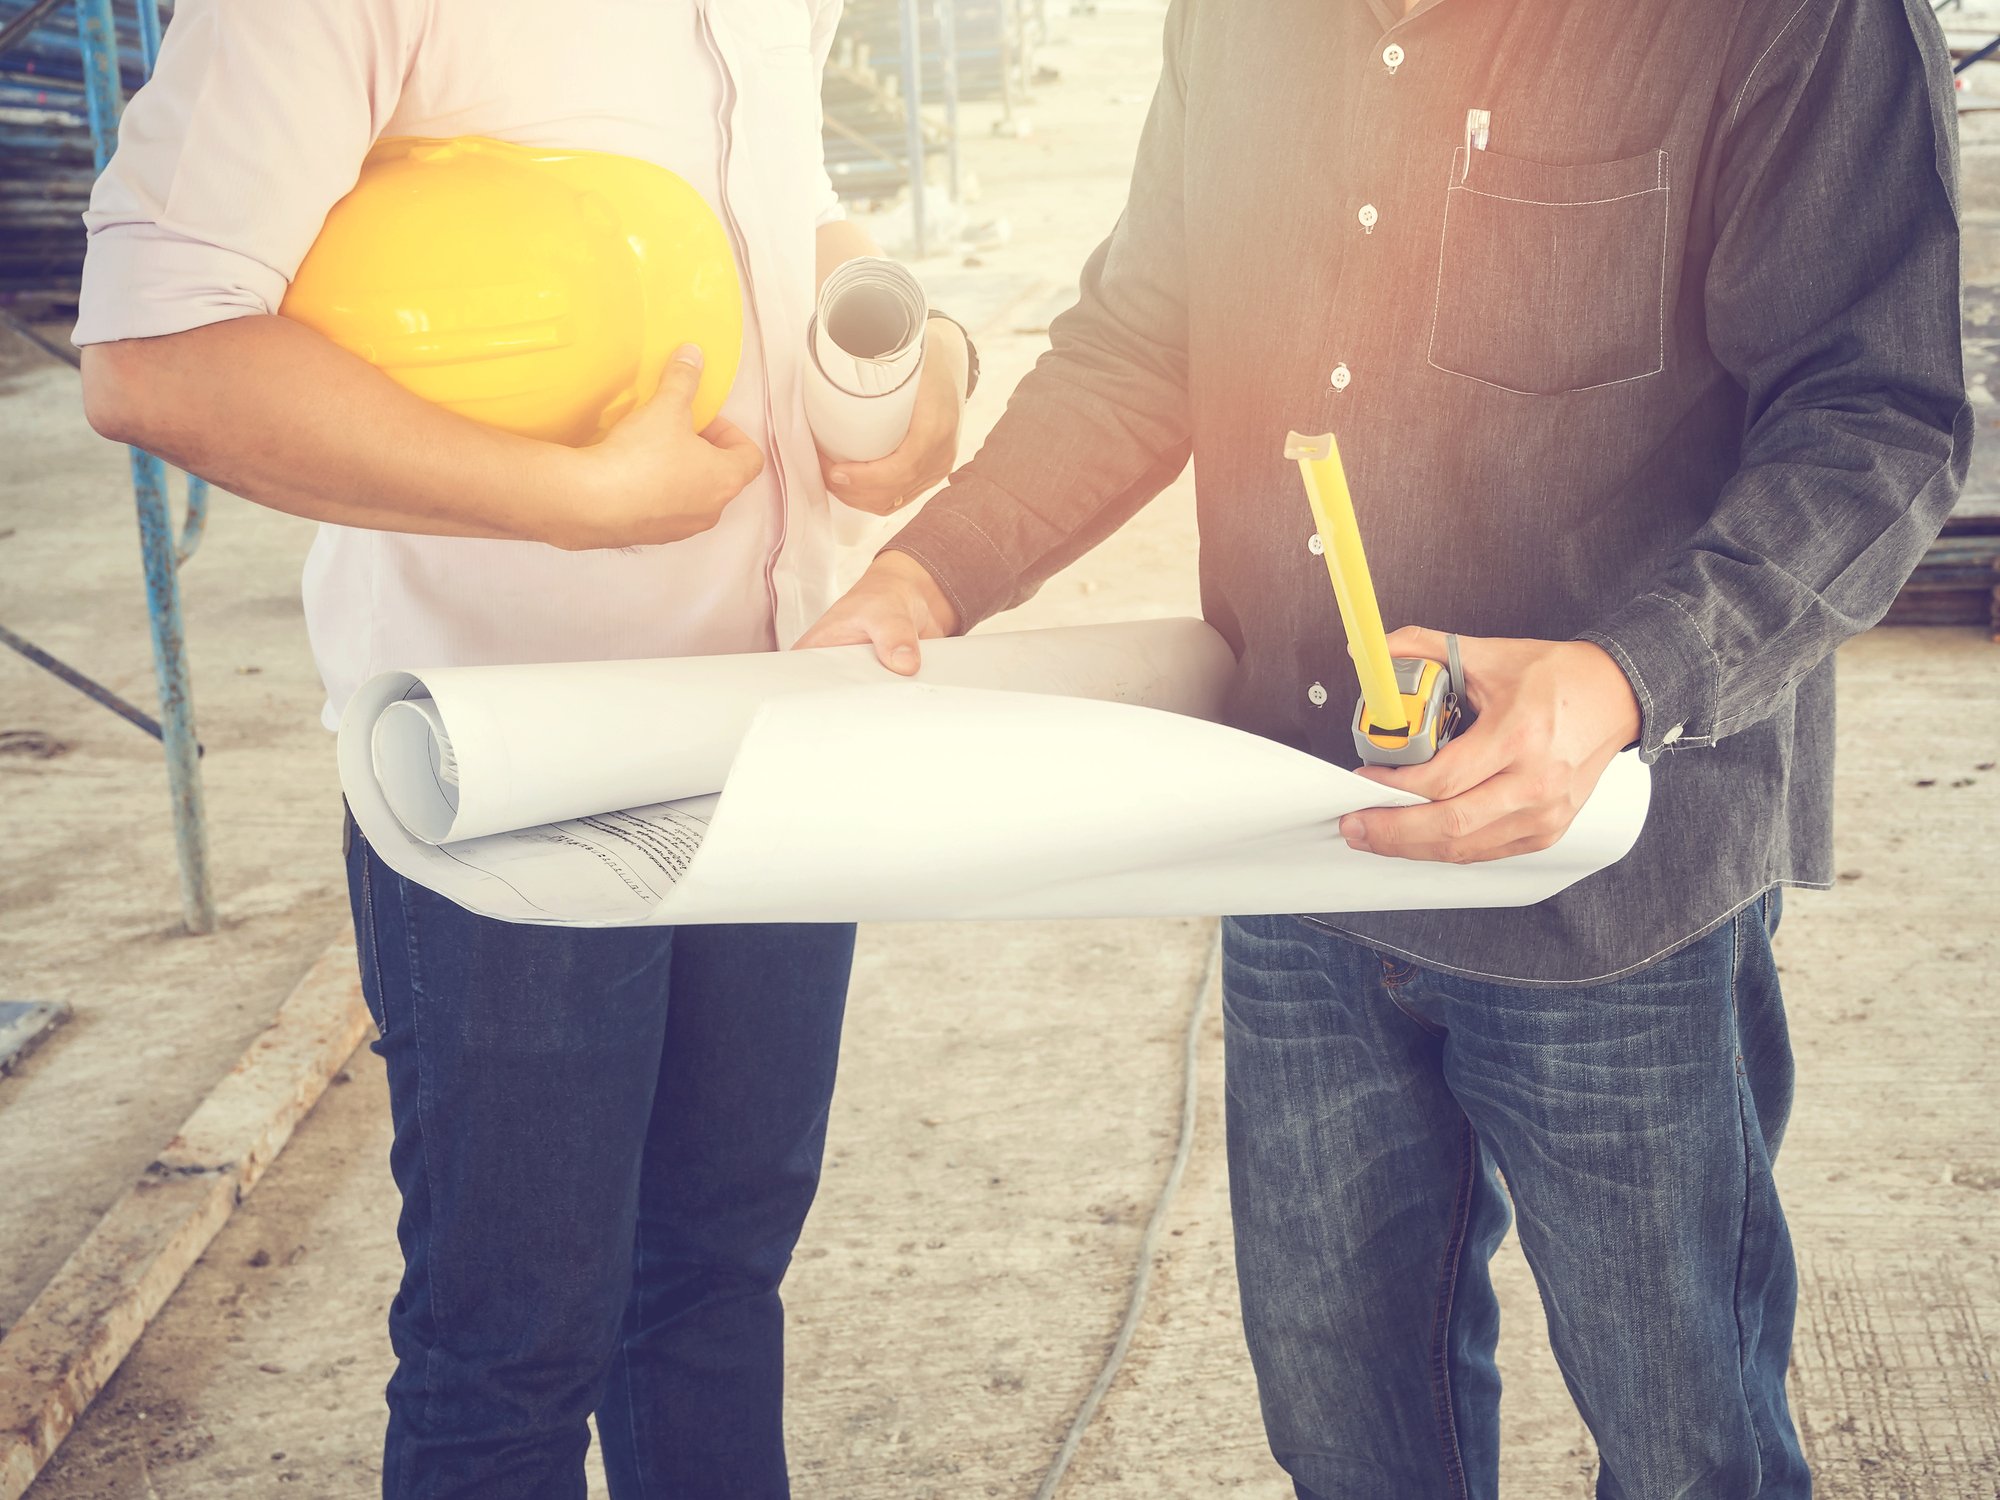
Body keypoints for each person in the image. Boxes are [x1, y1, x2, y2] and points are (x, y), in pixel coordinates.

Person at [799, 0, 1969, 1494]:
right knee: (1347, 1433)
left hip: (1618, 883)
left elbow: (1877, 417)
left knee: (1687, 1438)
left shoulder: (1787, 22)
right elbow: (1151, 337)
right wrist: (930, 572)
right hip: (1304, 848)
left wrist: (1626, 677)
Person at [73, 1, 971, 1494]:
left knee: (713, 1286)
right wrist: (576, 501)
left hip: (776, 729)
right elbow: (159, 352)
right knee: (516, 1348)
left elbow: (775, 190)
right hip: (511, 763)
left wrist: (921, 347)